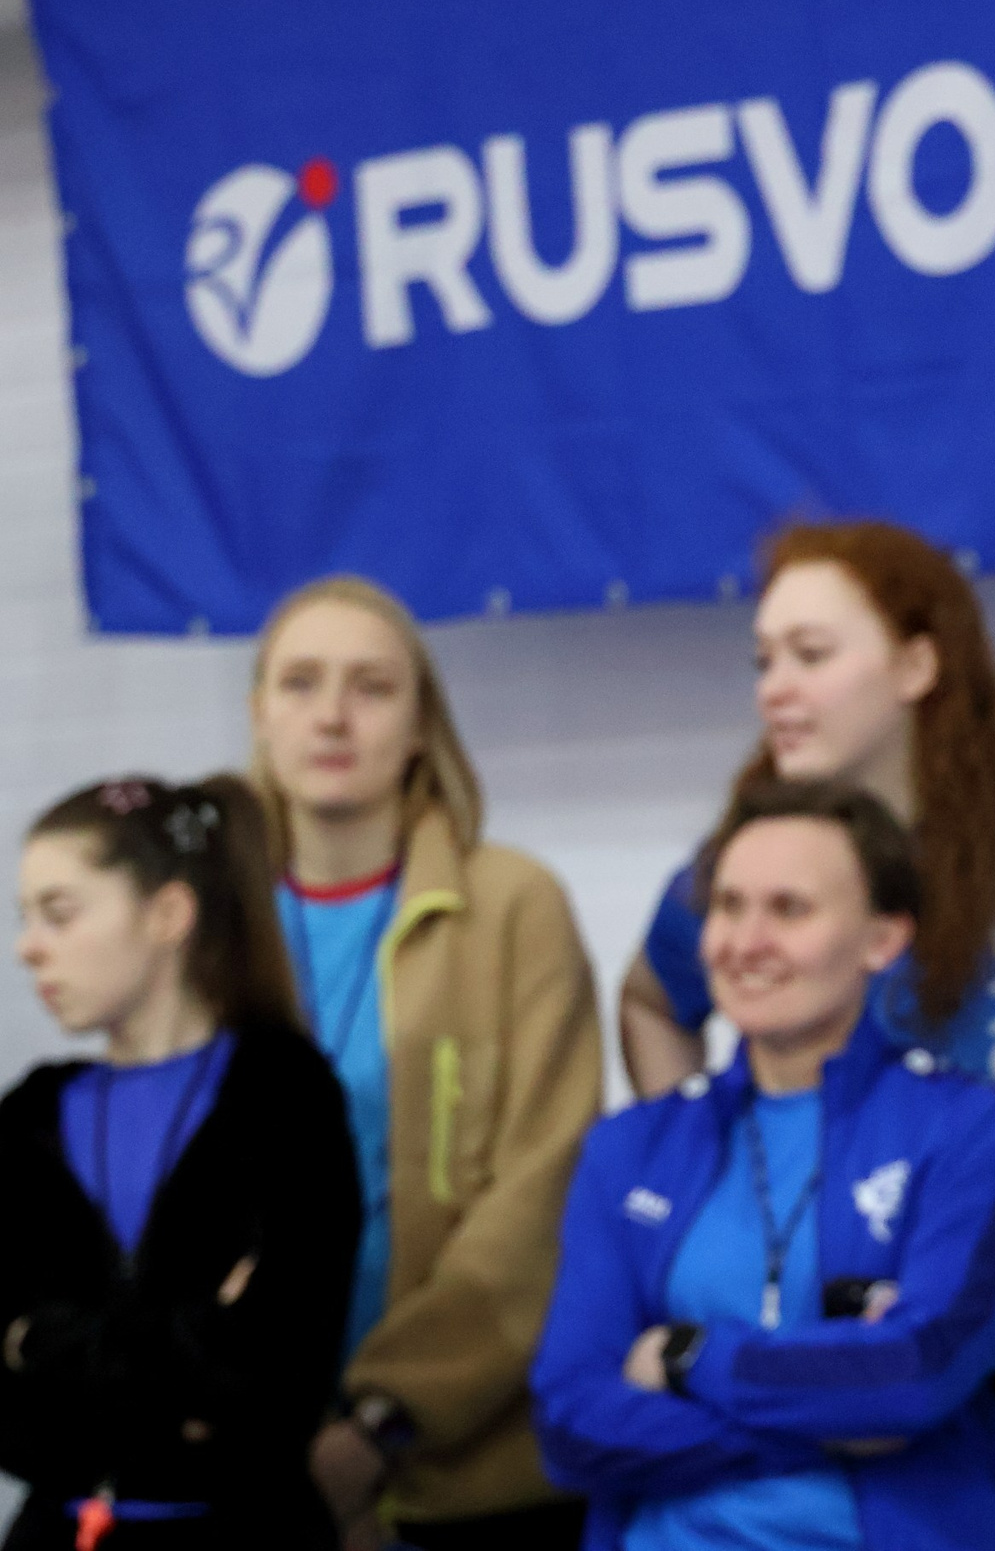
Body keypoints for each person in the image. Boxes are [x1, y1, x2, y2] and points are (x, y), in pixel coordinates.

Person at [614, 522, 995, 1551]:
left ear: (918, 663)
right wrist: (699, 1172)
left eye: (810, 654)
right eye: (762, 661)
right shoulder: (751, 871)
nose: (774, 689)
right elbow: (650, 997)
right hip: (847, 1376)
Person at [532, 778, 995, 1551]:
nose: (746, 941)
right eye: (729, 906)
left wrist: (682, 1354)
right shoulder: (630, 1145)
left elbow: (913, 1371)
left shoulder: (967, 1126)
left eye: (789, 909)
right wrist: (832, 1413)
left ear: (882, 937)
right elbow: (570, 1418)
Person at [247, 577, 604, 1550]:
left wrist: (378, 1424)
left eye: (371, 687)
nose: (331, 716)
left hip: (472, 1478)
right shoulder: (205, 925)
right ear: (260, 717)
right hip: (250, 1468)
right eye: (301, 684)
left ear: (418, 728)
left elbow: (544, 1193)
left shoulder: (514, 905)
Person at [2, 775, 361, 1548]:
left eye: (59, 913)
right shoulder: (29, 1115)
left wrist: (40, 1342)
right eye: (25, 917)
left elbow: (276, 1374)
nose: (29, 945)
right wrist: (187, 1349)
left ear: (167, 913)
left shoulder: (285, 1096)